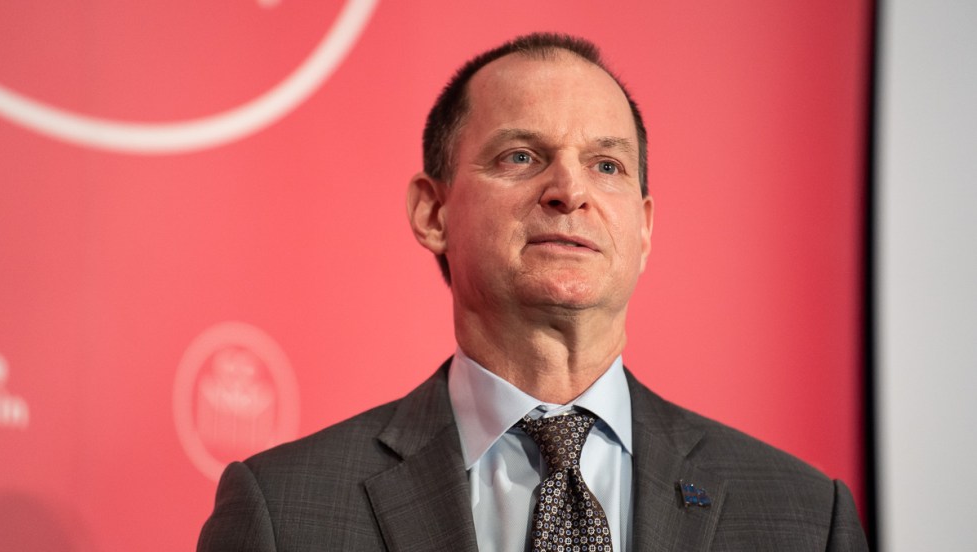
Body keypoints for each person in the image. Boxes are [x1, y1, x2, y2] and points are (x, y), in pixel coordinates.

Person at [198, 33, 868, 551]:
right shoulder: (283, 513)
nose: (569, 191)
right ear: (433, 214)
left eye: (606, 165)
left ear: (644, 228)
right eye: (521, 156)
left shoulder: (806, 517)